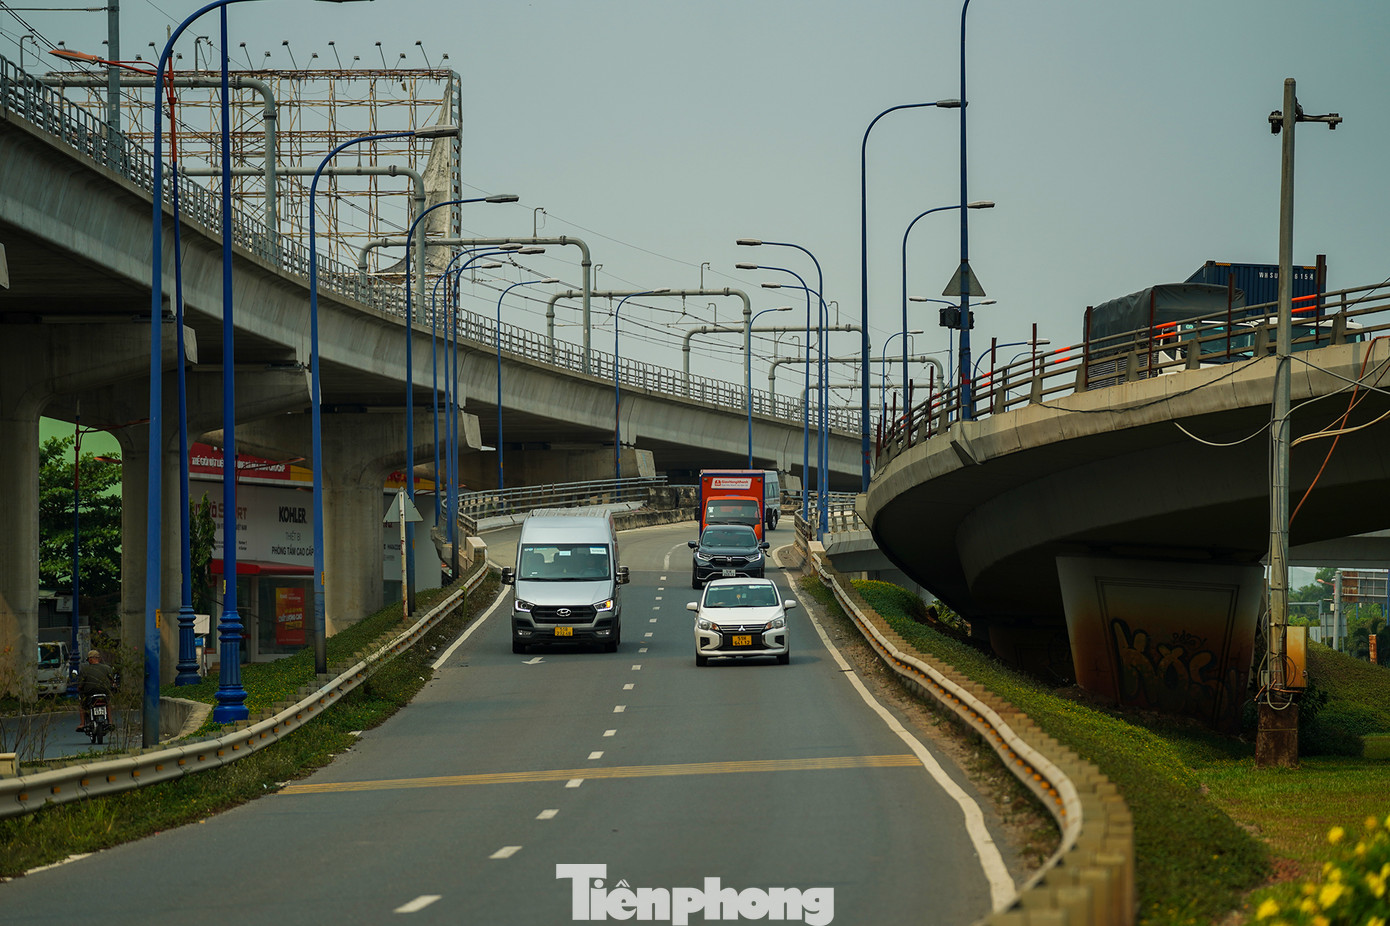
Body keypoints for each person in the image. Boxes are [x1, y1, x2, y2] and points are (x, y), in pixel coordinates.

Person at [76, 649, 116, 732]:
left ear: (90, 659)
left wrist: (79, 688)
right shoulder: (107, 668)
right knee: (108, 703)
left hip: (89, 693)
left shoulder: (85, 669)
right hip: (104, 692)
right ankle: (110, 722)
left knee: (82, 705)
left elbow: (81, 684)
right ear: (99, 659)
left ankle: (82, 723)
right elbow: (112, 681)